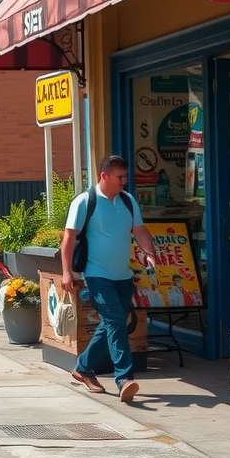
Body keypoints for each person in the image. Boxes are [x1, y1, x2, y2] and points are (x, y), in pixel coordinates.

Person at [61, 155, 157, 403]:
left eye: (125, 177)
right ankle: (125, 379)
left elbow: (139, 230)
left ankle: (82, 368)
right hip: (96, 274)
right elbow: (69, 237)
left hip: (123, 276)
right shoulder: (85, 202)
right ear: (104, 176)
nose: (124, 181)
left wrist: (149, 254)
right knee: (115, 320)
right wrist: (66, 271)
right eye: (120, 177)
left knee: (113, 323)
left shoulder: (127, 200)